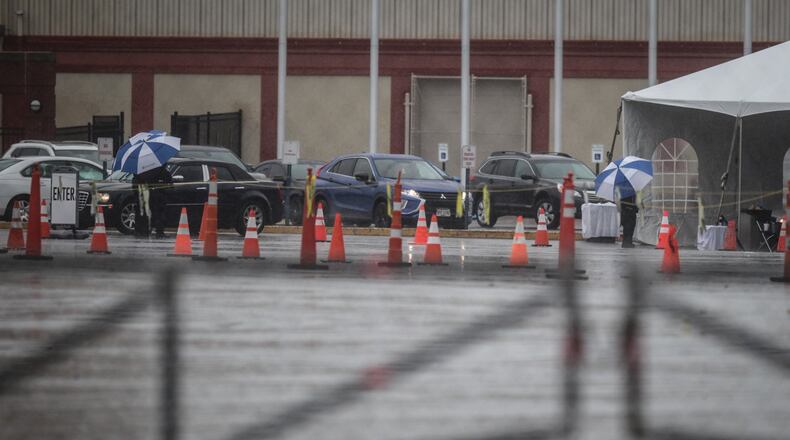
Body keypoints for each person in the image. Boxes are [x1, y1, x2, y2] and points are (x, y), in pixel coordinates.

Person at [133, 166, 173, 238]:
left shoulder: (139, 170)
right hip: (157, 195)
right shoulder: (159, 169)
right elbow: (168, 180)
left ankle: (141, 231)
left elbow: (135, 183)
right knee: (158, 213)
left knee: (141, 212)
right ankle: (158, 232)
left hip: (143, 194)